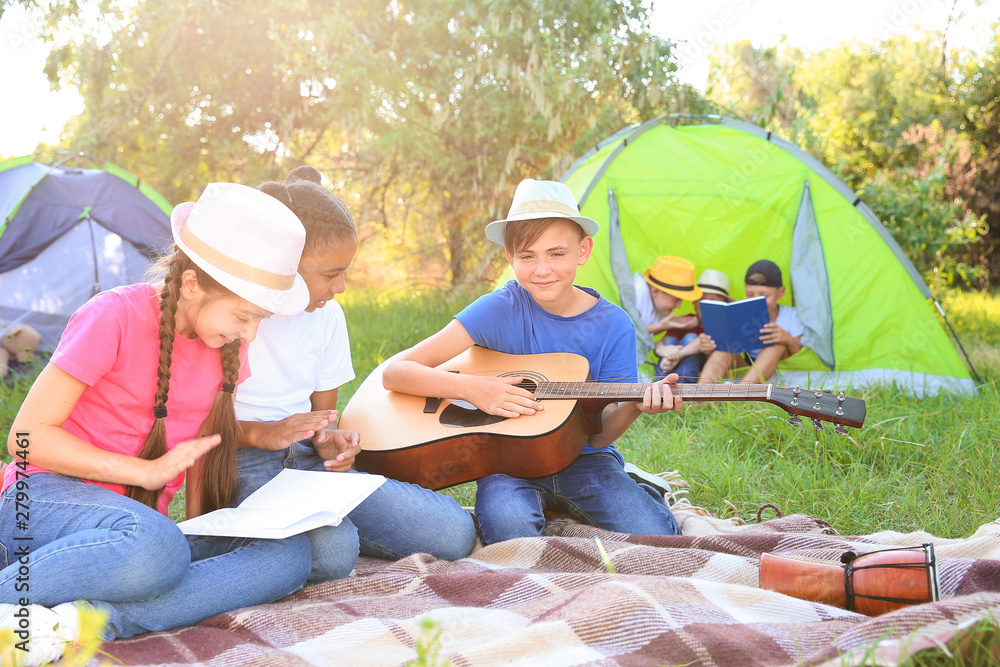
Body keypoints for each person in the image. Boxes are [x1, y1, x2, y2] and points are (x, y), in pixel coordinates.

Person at [0, 183, 314, 665]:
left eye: (259, 320)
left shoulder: (226, 342)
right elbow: (25, 439)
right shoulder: (114, 315)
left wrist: (209, 524)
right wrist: (141, 474)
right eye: (245, 315)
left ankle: (68, 622)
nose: (251, 332)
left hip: (137, 526)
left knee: (287, 556)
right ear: (191, 284)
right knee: (157, 550)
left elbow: (198, 451)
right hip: (45, 496)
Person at [382, 178, 684, 546]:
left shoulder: (615, 324)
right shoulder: (499, 307)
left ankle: (630, 487)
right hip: (507, 464)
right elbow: (396, 371)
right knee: (508, 537)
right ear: (510, 258)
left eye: (556, 253)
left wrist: (635, 407)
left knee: (658, 538)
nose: (542, 269)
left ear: (583, 250)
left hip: (588, 459)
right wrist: (473, 389)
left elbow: (600, 432)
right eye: (527, 256)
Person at [233, 166, 477, 583]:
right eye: (331, 275)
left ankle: (308, 526)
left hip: (305, 463)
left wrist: (331, 444)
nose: (341, 287)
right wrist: (262, 434)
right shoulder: (234, 314)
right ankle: (290, 532)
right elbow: (195, 423)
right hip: (243, 460)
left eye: (345, 271)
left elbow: (321, 422)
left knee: (453, 533)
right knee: (334, 553)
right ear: (285, 261)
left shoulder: (328, 316)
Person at [699, 259, 805, 384]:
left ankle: (741, 393)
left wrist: (787, 339)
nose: (756, 300)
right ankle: (701, 396)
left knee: (776, 343)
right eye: (750, 294)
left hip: (779, 367)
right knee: (725, 347)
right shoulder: (741, 312)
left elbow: (800, 356)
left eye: (764, 296)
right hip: (746, 367)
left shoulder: (791, 315)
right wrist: (710, 345)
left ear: (780, 293)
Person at [656, 268, 732, 382]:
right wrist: (666, 351)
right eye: (701, 300)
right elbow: (660, 342)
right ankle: (659, 383)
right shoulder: (688, 321)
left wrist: (678, 354)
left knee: (690, 337)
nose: (706, 306)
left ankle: (684, 384)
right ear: (694, 303)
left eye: (712, 301)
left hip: (701, 371)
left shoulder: (725, 324)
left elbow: (701, 342)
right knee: (671, 341)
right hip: (671, 366)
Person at [633, 256, 701, 380]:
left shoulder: (658, 304)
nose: (679, 306)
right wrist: (663, 326)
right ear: (655, 292)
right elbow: (628, 329)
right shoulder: (637, 292)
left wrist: (669, 325)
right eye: (676, 300)